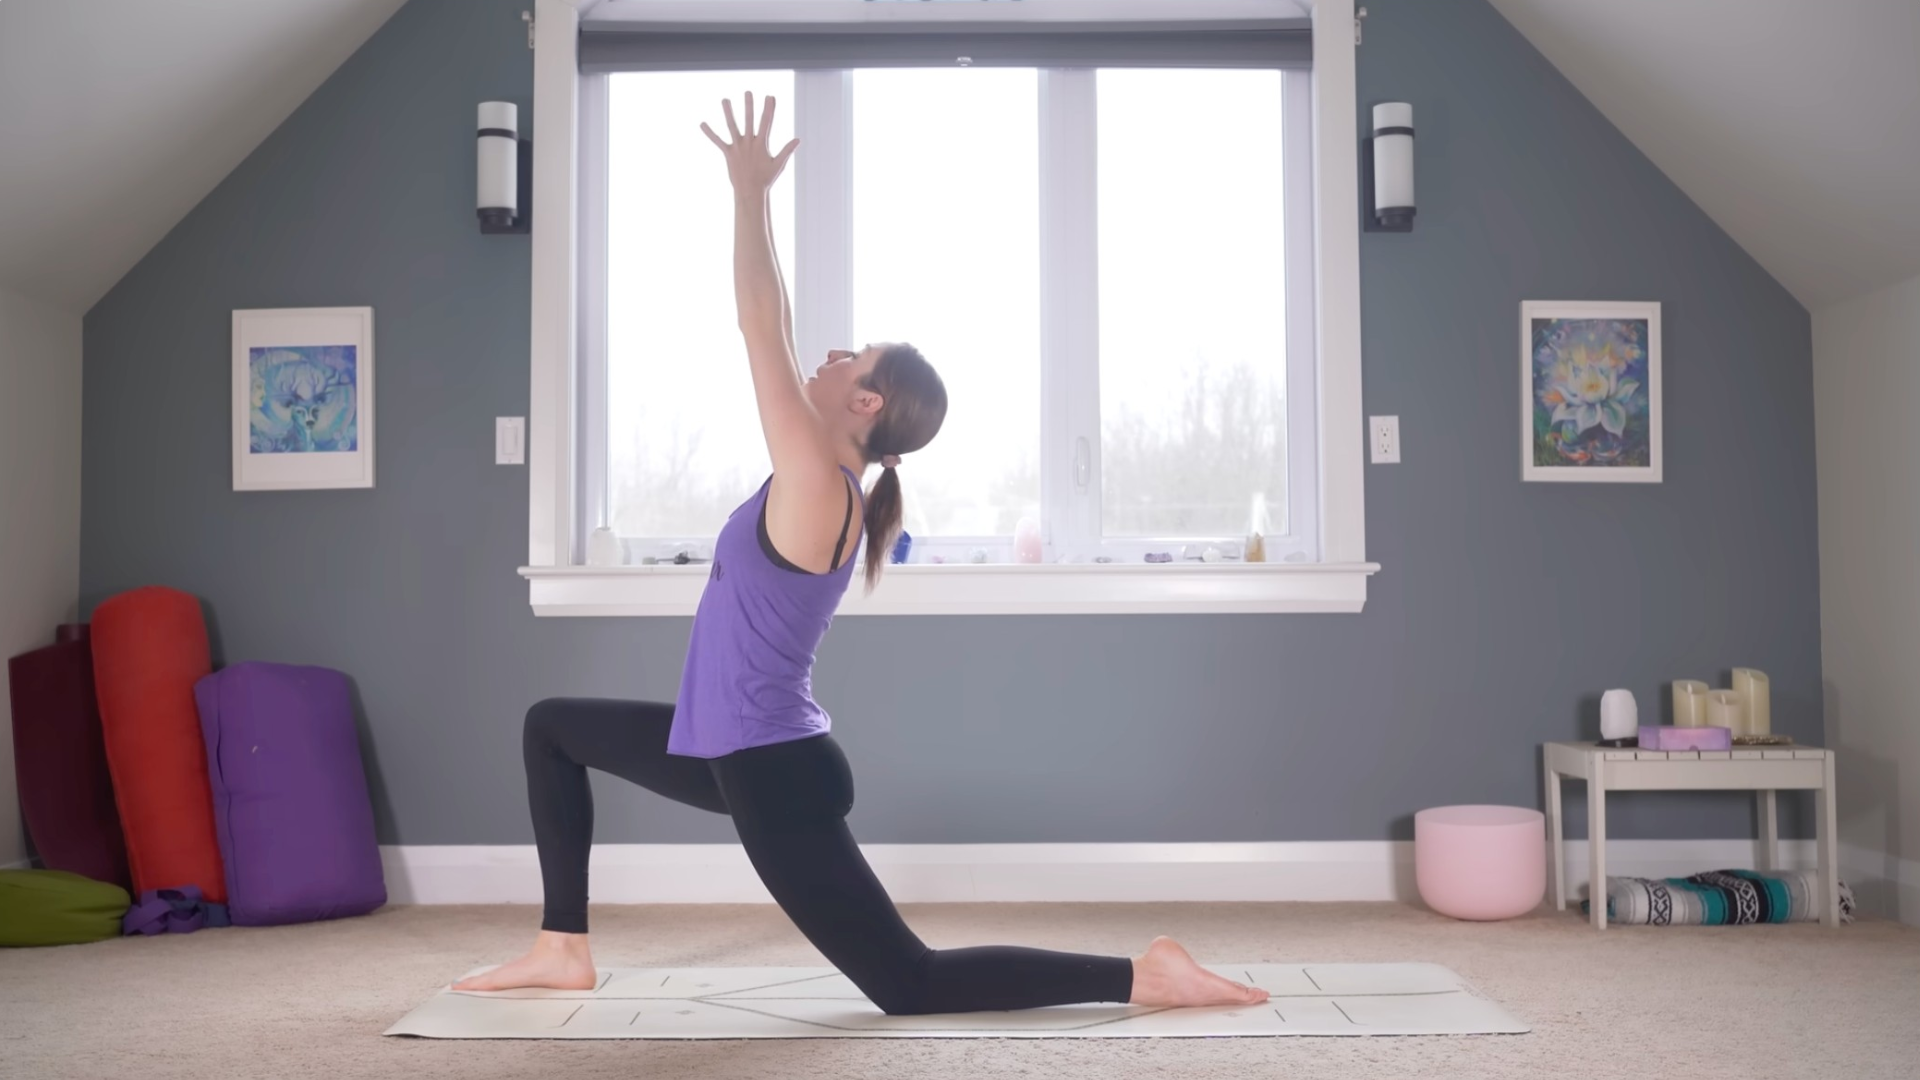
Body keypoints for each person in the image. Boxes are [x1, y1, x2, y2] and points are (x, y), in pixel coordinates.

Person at [455, 93, 1268, 1016]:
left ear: (869, 404)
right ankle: (562, 946)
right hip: (725, 743)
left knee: (907, 983)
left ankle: (1141, 975)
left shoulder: (816, 484)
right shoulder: (818, 476)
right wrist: (757, 196)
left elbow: (763, 326)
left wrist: (748, 191)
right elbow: (783, 330)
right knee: (551, 725)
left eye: (853, 356)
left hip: (770, 770)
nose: (831, 355)